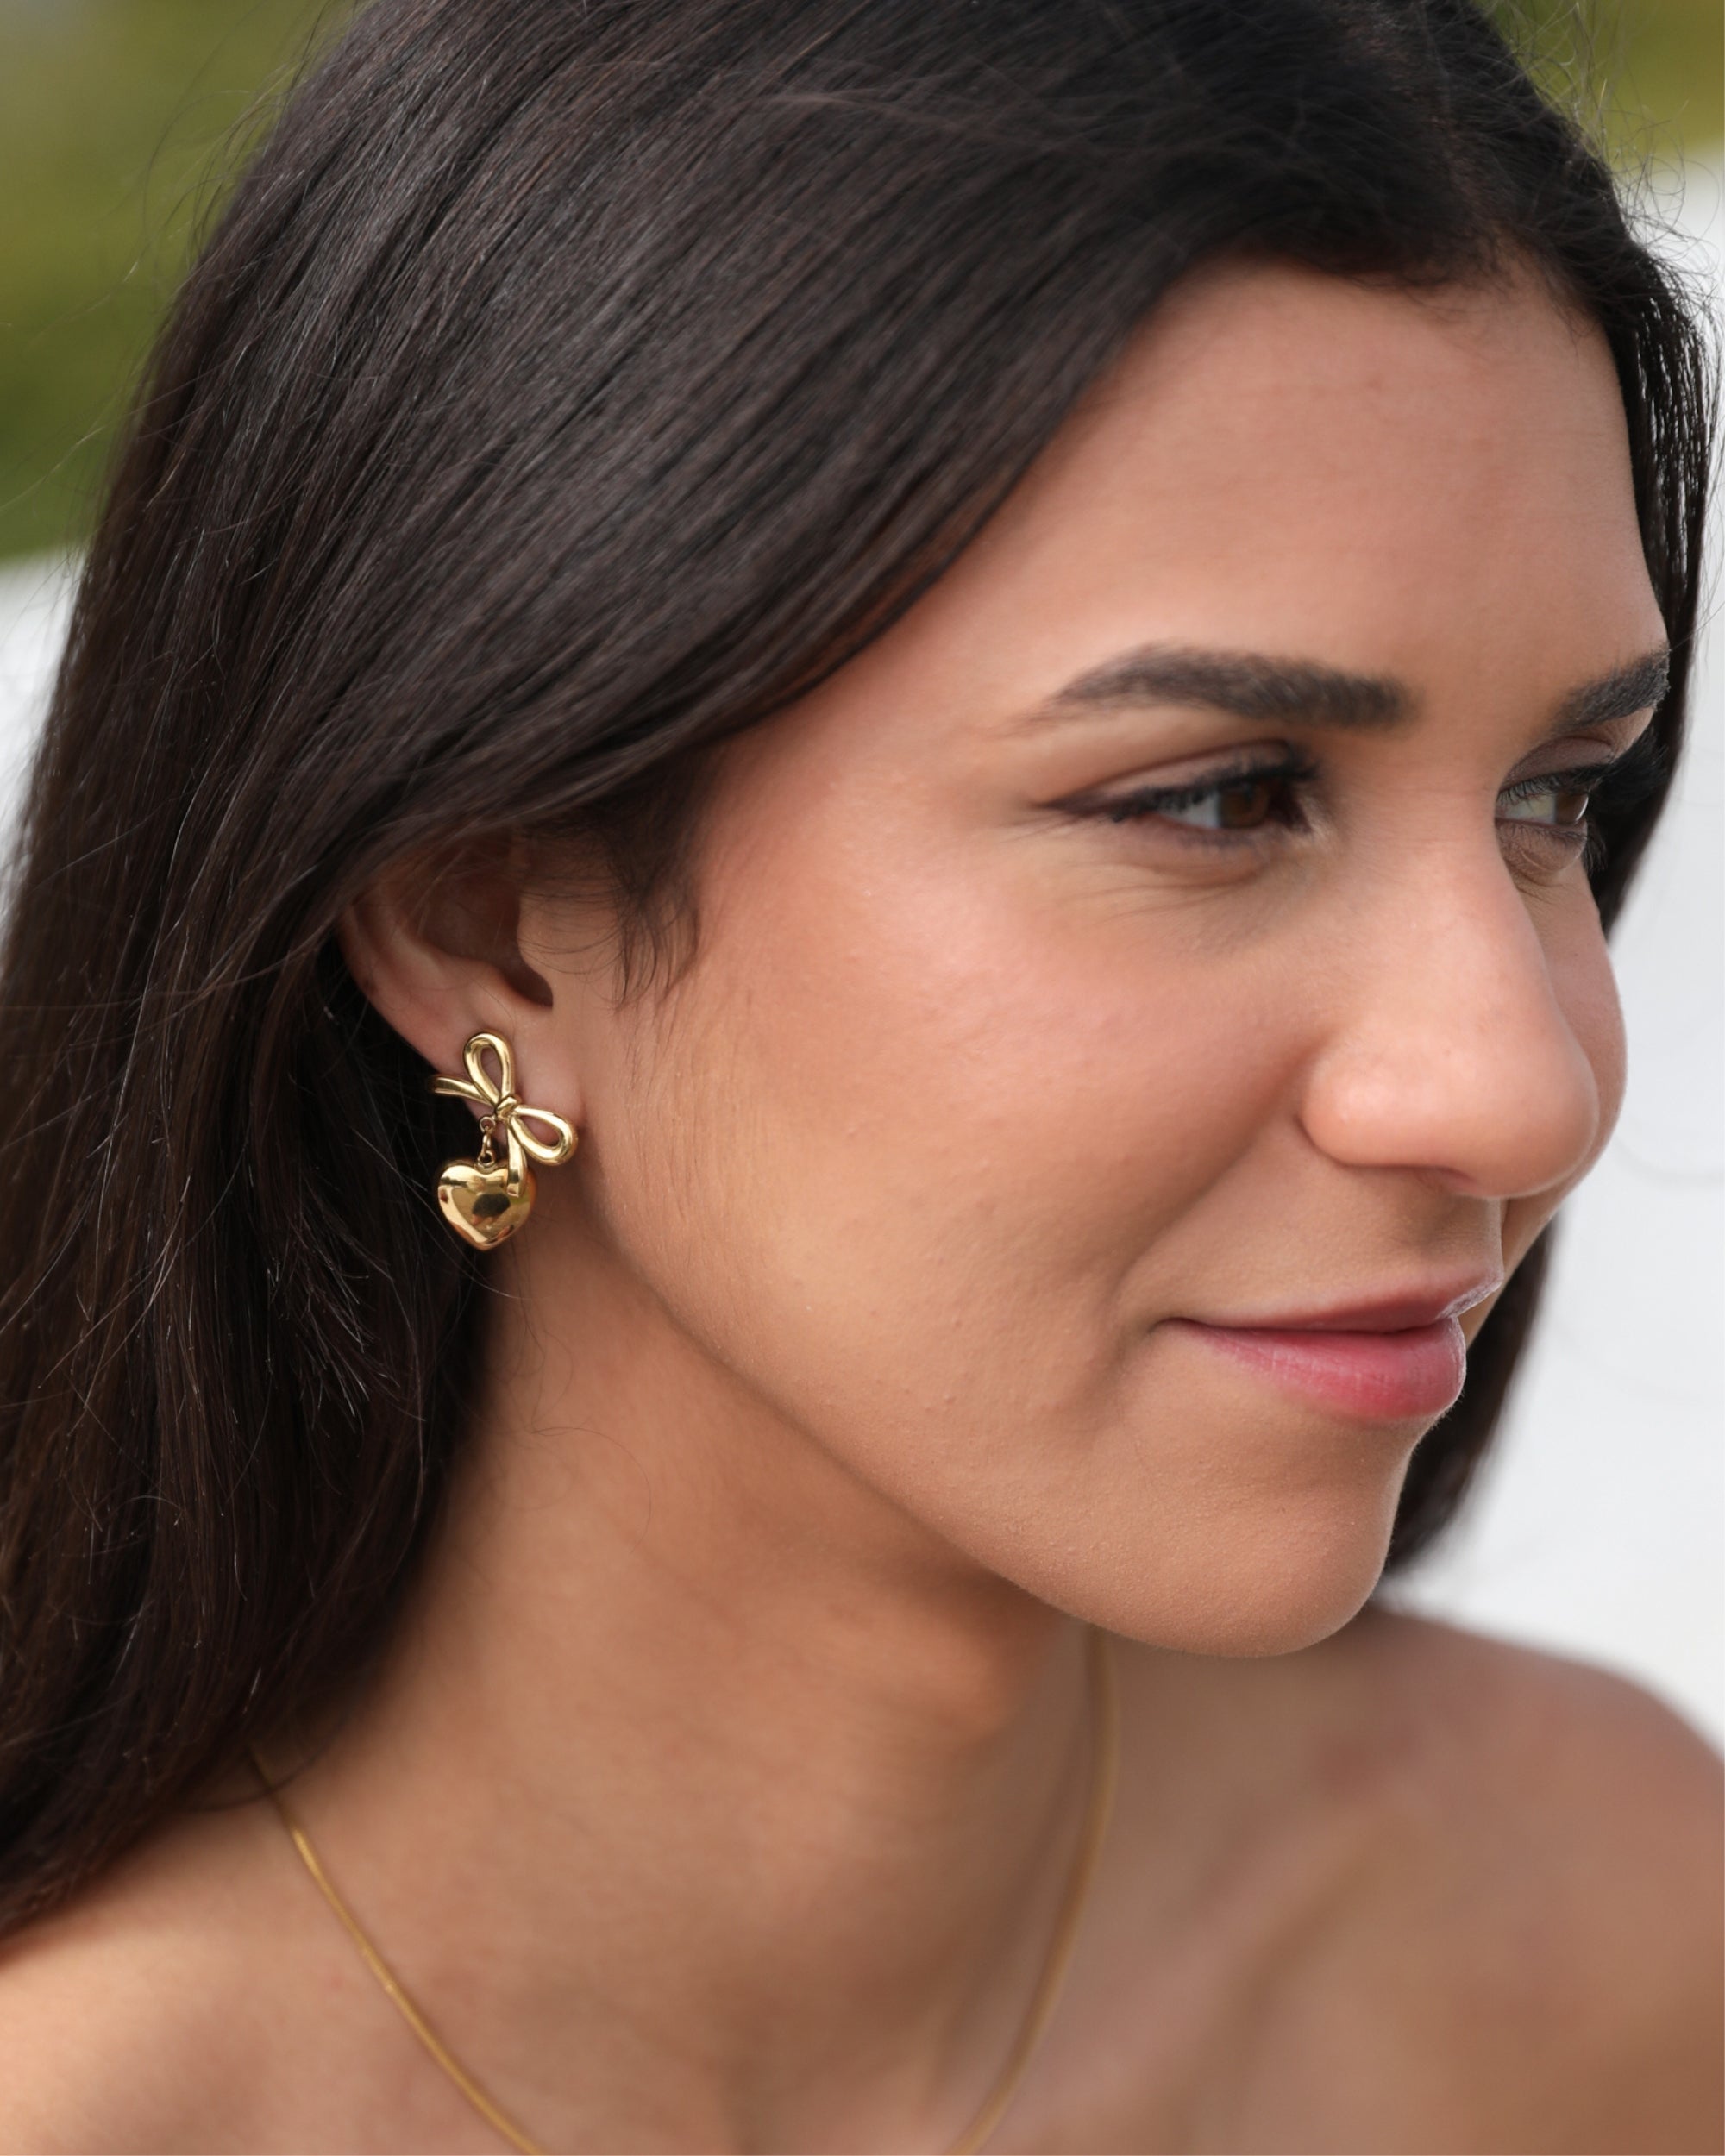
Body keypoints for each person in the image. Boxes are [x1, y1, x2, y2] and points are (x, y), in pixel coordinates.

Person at [0, 0, 1717, 2147]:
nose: (1520, 1087)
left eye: (1554, 793)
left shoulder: (1590, 1934)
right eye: (1212, 798)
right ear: (490, 924)